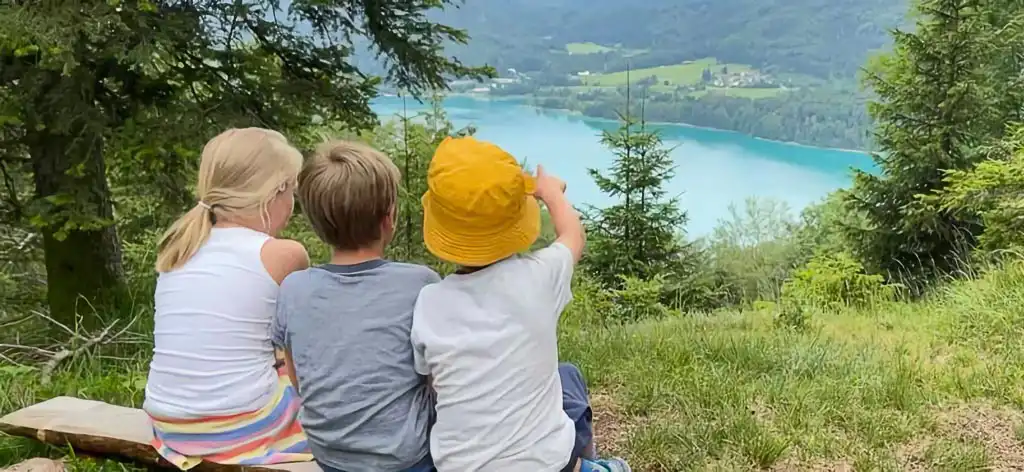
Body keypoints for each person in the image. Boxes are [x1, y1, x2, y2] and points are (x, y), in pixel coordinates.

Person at [411, 136, 631, 472]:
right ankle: (589, 467)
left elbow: (431, 384)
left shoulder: (429, 302)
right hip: (546, 464)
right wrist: (551, 193)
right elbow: (573, 235)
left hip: (460, 467)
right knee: (569, 379)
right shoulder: (540, 276)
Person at [143, 128, 313, 470]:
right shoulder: (284, 254)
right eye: (291, 191)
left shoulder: (179, 248)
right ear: (275, 192)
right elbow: (306, 348)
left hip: (168, 424)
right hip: (240, 426)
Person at [270, 140, 437, 472]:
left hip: (331, 455)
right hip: (407, 459)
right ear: (389, 218)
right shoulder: (420, 283)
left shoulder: (294, 288)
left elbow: (297, 377)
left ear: (317, 225)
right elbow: (440, 378)